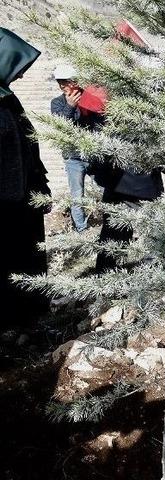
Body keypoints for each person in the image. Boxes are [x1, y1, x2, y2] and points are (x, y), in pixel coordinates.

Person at [0, 28, 52, 327]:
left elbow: (28, 144)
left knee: (27, 258)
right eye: (16, 68)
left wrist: (40, 185)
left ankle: (28, 322)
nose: (19, 77)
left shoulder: (9, 100)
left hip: (23, 200)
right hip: (3, 205)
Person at [50, 65, 99, 232]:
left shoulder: (91, 98)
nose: (62, 86)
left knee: (107, 190)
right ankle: (81, 229)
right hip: (74, 157)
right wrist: (70, 106)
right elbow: (61, 126)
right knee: (77, 195)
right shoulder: (57, 103)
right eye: (60, 83)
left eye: (65, 82)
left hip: (95, 154)